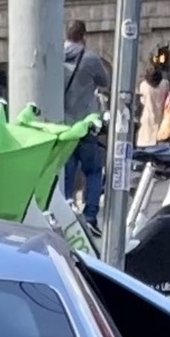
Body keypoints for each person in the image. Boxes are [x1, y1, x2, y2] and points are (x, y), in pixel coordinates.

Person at [61, 18, 110, 229]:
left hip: (64, 128)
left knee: (67, 171)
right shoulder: (90, 59)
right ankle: (90, 216)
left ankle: (66, 213)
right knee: (93, 170)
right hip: (86, 125)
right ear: (84, 36)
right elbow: (104, 81)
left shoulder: (56, 56)